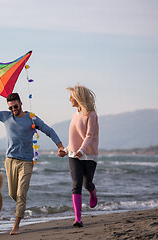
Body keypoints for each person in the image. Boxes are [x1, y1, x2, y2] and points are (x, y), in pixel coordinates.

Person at [0, 83, 64, 235]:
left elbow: (49, 130)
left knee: (21, 194)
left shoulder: (31, 118)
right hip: (10, 161)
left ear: (21, 103)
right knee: (12, 193)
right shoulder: (5, 116)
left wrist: (60, 146)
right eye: (11, 107)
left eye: (15, 106)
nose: (13, 110)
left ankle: (16, 225)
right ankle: (21, 208)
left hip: (27, 162)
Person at [59, 84, 99, 228]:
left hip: (89, 155)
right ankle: (78, 219)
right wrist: (65, 150)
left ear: (78, 98)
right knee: (76, 185)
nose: (70, 100)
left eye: (71, 97)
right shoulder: (74, 114)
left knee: (86, 184)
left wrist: (82, 150)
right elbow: (73, 139)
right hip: (74, 155)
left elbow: (89, 136)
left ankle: (93, 193)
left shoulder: (91, 114)